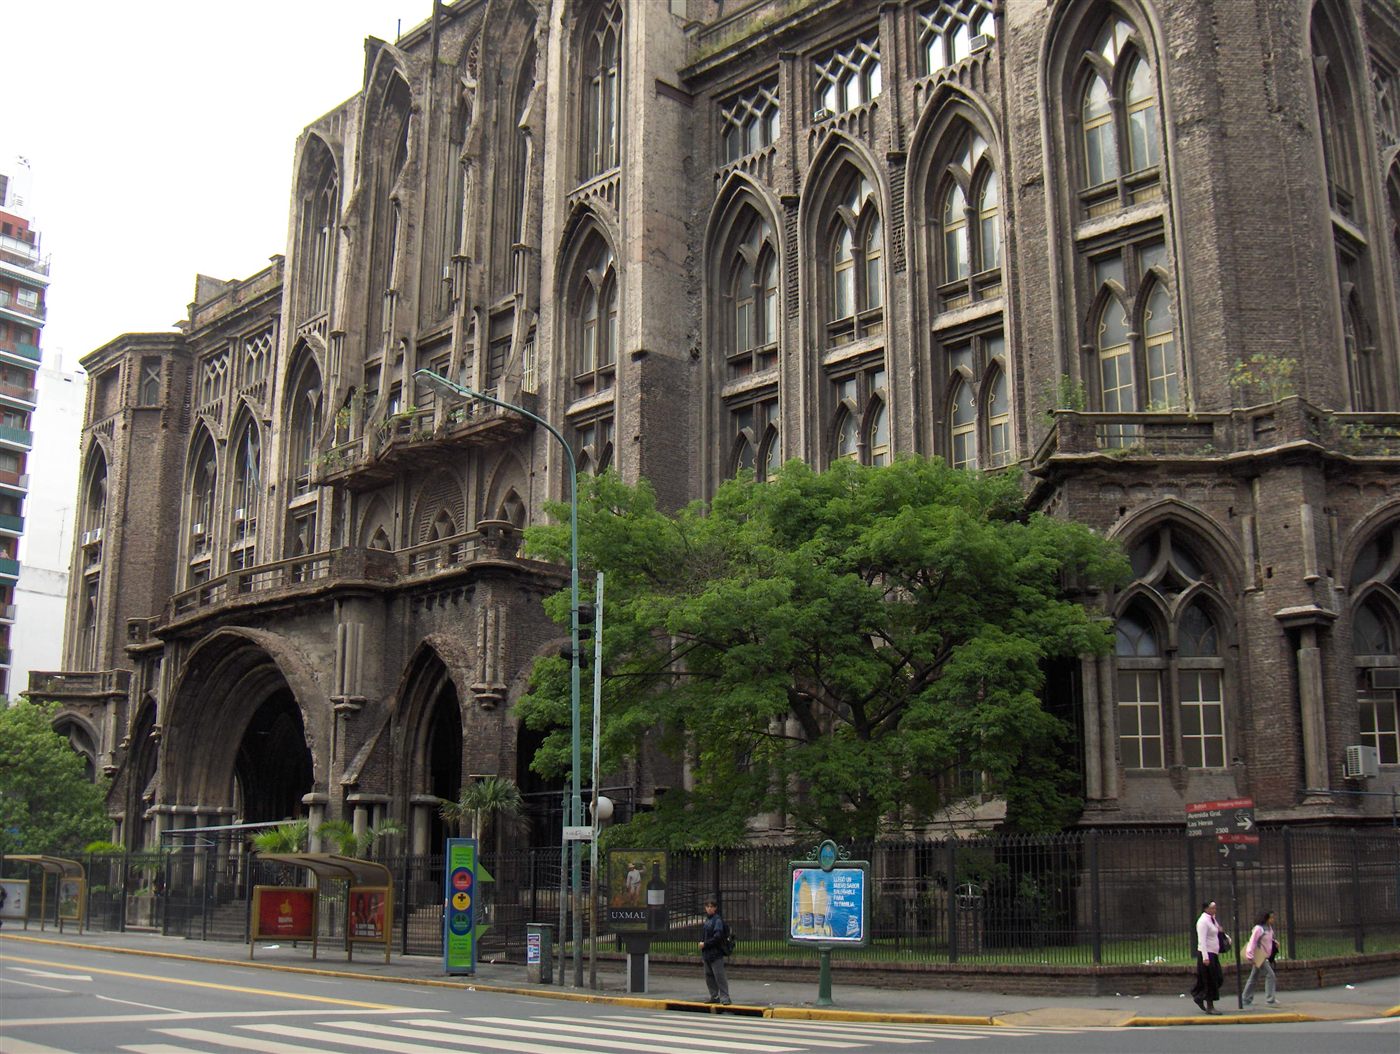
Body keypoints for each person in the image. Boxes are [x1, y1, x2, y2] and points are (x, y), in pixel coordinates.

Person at [1191, 900, 1226, 1014]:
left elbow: (1216, 932)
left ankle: (1200, 996)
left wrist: (1226, 938)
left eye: (1215, 908)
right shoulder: (1203, 922)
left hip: (1213, 953)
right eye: (1212, 908)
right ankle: (1210, 1006)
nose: (1214, 910)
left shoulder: (1212, 919)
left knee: (1218, 978)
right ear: (1206, 909)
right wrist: (1205, 957)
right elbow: (1202, 940)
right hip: (1207, 954)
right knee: (1211, 980)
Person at [1242, 909, 1279, 1007]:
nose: (1273, 919)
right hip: (1258, 954)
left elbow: (1268, 940)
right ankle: (1270, 999)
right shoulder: (1259, 929)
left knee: (1254, 976)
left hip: (1264, 955)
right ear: (1266, 918)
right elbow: (1252, 941)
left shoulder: (1269, 928)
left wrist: (1275, 943)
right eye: (1271, 917)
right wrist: (1249, 955)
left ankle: (1246, 998)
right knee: (1270, 975)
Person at [699, 897, 731, 1005]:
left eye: (711, 907)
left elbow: (717, 937)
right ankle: (714, 996)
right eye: (707, 906)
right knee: (709, 976)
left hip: (715, 953)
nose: (709, 909)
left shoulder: (717, 920)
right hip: (707, 953)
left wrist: (705, 944)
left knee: (719, 976)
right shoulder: (707, 920)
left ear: (715, 908)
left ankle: (725, 997)